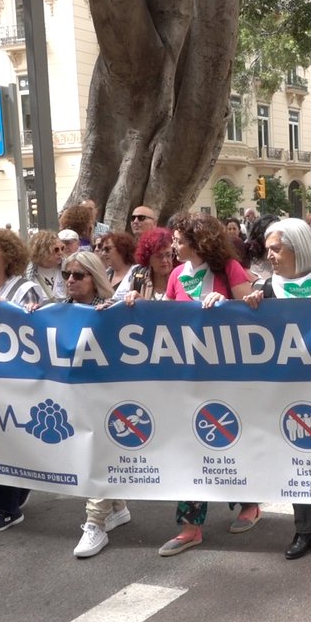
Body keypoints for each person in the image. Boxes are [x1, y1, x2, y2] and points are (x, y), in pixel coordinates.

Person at [127, 212, 257, 556]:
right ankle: (190, 526)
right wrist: (139, 307)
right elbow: (166, 319)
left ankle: (248, 501)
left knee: (228, 442)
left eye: (180, 240)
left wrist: (229, 305)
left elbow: (256, 314)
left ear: (200, 243)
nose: (173, 245)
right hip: (185, 377)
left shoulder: (229, 270)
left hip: (227, 377)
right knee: (189, 448)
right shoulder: (175, 276)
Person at [242, 218, 311, 560]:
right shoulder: (267, 288)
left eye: (276, 249)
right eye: (268, 250)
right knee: (295, 456)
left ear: (299, 247)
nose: (270, 256)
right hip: (287, 388)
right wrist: (238, 307)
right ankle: (304, 530)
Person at [0, 228, 47, 533]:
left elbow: (38, 326)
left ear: (9, 257)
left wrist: (1, 306)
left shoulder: (25, 288)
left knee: (7, 438)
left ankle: (7, 508)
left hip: (18, 379)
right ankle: (17, 491)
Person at [61, 251, 134, 557]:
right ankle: (116, 506)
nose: (70, 281)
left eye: (79, 275)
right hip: (74, 396)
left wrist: (129, 304)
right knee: (87, 454)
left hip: (106, 396)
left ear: (95, 278)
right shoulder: (58, 312)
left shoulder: (110, 310)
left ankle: (95, 524)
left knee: (96, 457)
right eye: (67, 275)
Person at [118, 227, 176, 301]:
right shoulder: (138, 277)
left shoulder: (180, 278)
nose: (164, 260)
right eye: (159, 256)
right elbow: (119, 301)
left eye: (168, 255)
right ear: (148, 258)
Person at [25, 230, 66, 301]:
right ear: (42, 251)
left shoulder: (67, 269)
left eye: (62, 248)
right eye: (56, 249)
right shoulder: (27, 274)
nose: (60, 253)